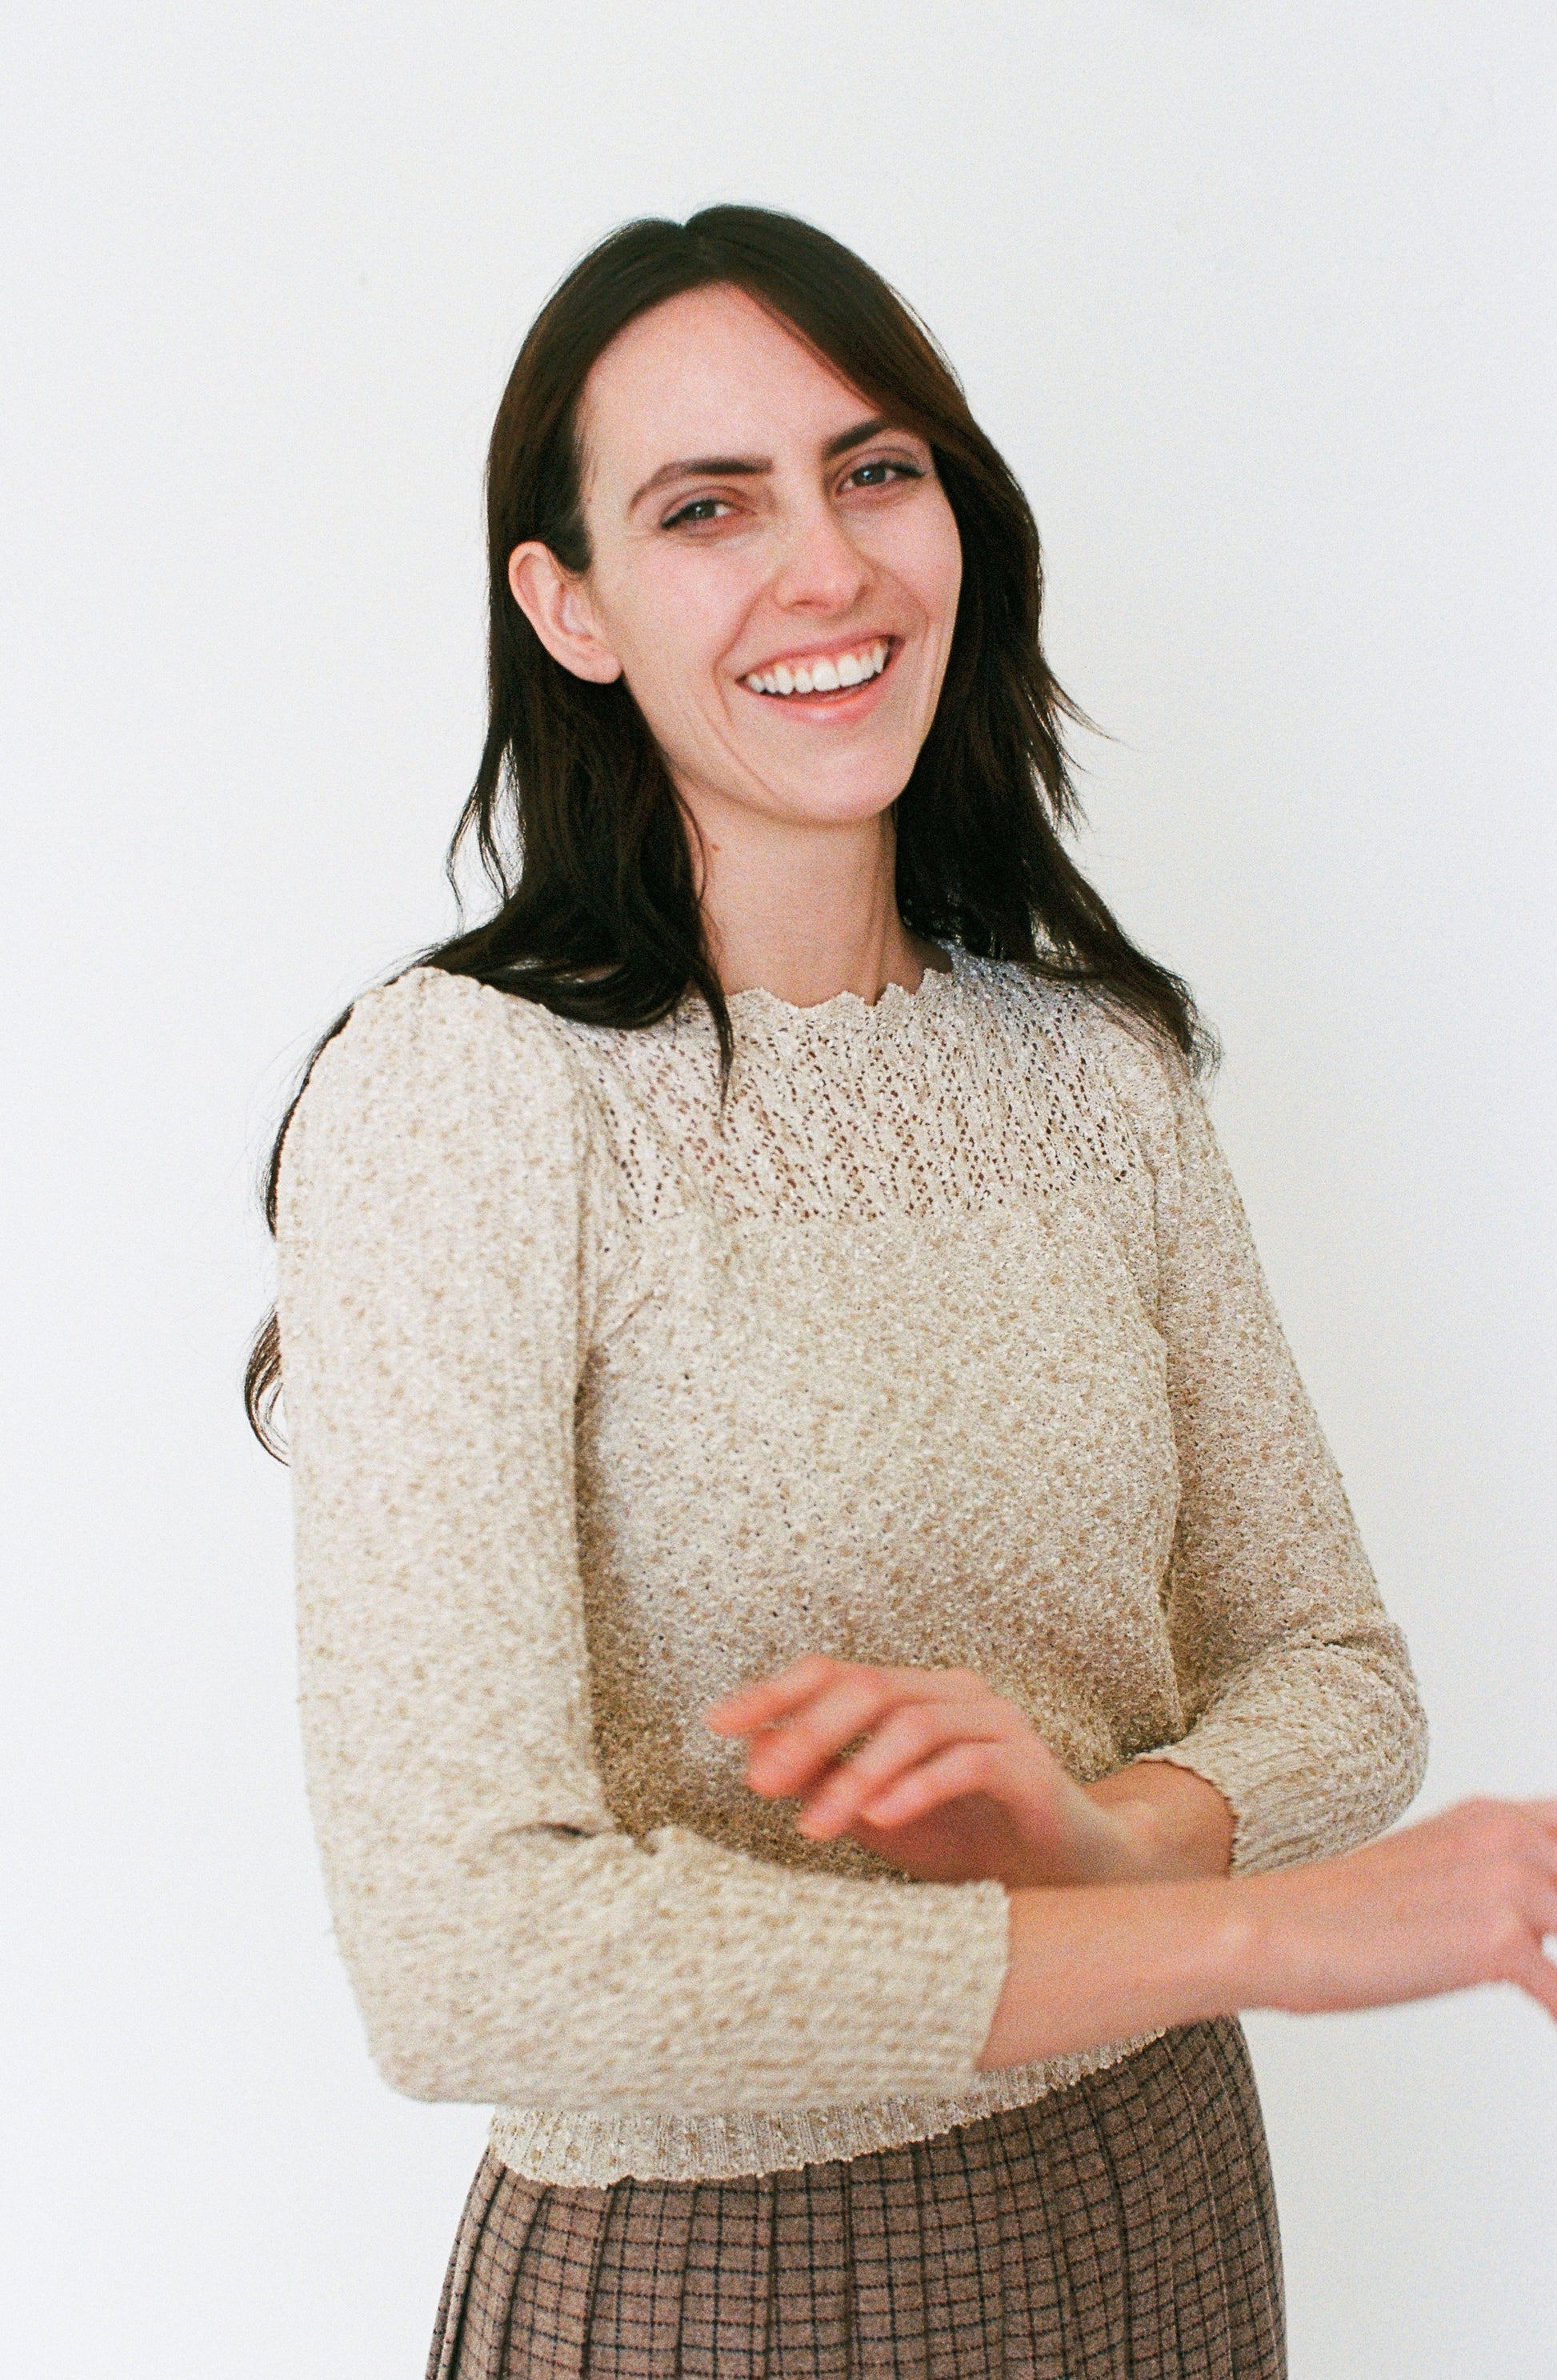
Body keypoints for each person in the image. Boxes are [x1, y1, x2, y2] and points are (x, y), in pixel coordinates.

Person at [248, 206, 1557, 2380]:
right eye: (706, 509)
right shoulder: (468, 1097)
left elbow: (1329, 1669)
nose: (827, 567)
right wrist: (1250, 1933)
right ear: (568, 608)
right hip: (721, 2285)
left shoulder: (1094, 1071)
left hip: (1166, 2211)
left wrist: (1103, 1839)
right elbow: (468, 1958)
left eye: (874, 471)